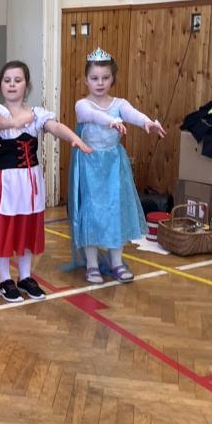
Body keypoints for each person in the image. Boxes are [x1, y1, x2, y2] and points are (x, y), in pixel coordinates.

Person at [0, 60, 91, 303]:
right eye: (7, 80)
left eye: (18, 80)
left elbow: (55, 127)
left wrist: (73, 138)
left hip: (30, 181)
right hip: (4, 181)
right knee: (4, 228)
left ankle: (25, 276)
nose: (12, 84)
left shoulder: (37, 114)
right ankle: (4, 279)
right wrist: (15, 122)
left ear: (26, 85)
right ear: (0, 85)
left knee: (27, 226)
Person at [68, 47, 166, 283]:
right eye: (94, 78)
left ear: (112, 78)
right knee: (91, 212)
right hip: (90, 166)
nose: (100, 83)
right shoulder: (82, 104)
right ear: (86, 80)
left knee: (116, 211)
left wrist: (146, 122)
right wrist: (111, 121)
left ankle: (117, 262)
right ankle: (92, 264)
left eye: (105, 77)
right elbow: (92, 116)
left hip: (113, 166)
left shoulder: (119, 103)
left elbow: (131, 113)